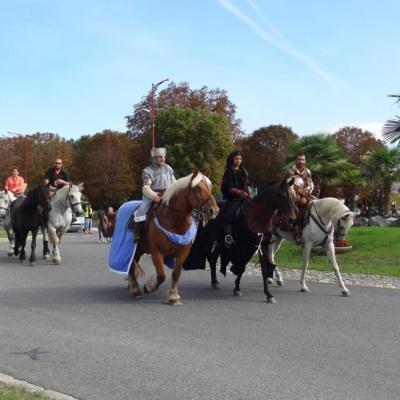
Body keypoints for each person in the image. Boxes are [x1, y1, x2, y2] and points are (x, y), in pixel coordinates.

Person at [130, 147, 176, 241]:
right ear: (154, 158)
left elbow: (174, 182)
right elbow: (146, 188)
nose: (162, 158)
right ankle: (138, 232)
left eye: (163, 156)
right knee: (143, 209)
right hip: (152, 193)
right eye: (159, 157)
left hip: (167, 193)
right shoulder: (147, 171)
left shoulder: (169, 168)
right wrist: (154, 196)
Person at [220, 150, 250, 248]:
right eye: (236, 158)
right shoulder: (228, 172)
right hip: (232, 199)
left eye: (240, 159)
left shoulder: (243, 171)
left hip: (244, 198)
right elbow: (230, 188)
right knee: (230, 214)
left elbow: (247, 184)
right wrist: (241, 193)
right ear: (232, 160)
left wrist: (249, 193)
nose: (238, 160)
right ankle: (228, 237)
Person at [284, 153, 314, 243]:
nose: (300, 161)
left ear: (305, 161)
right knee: (300, 203)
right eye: (299, 159)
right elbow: (288, 183)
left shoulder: (307, 171)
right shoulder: (290, 171)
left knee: (314, 202)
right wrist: (297, 191)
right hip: (292, 194)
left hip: (305, 193)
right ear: (295, 160)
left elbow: (311, 183)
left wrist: (307, 190)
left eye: (302, 160)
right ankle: (297, 227)